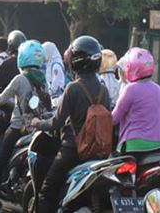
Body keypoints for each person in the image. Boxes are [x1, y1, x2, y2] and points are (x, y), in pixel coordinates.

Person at [31, 35, 110, 212]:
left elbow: (55, 122)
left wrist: (37, 122)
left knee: (47, 190)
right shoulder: (104, 91)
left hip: (72, 150)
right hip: (97, 152)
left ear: (75, 61)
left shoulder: (73, 88)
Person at [0, 40, 49, 184]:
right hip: (37, 126)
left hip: (18, 127)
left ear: (22, 58)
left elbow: (1, 99)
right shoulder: (43, 80)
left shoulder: (19, 79)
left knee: (2, 155)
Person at [112, 47, 160, 159]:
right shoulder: (158, 89)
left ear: (130, 67)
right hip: (157, 146)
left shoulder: (130, 89)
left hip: (132, 147)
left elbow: (114, 118)